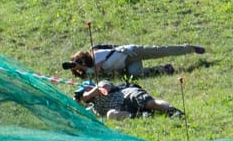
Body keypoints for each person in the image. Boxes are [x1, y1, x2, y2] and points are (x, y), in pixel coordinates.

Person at [63, 43, 205, 79]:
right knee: (135, 74)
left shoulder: (95, 55)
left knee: (160, 51)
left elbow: (94, 71)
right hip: (127, 64)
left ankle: (190, 48)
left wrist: (80, 67)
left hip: (130, 53)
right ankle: (164, 69)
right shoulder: (90, 67)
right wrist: (77, 70)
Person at [74, 80, 183, 120]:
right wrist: (77, 101)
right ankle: (141, 115)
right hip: (123, 109)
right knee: (111, 114)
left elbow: (104, 88)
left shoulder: (100, 84)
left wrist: (86, 95)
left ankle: (172, 110)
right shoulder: (94, 107)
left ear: (88, 88)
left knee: (149, 103)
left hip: (127, 95)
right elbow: (80, 112)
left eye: (82, 92)